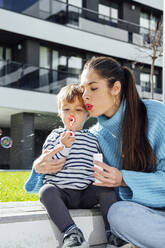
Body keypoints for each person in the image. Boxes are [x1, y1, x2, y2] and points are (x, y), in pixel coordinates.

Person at [79, 56, 165, 248]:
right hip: (149, 218)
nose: (85, 95)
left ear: (115, 88)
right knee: (118, 214)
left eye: (93, 88)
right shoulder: (94, 135)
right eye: (83, 89)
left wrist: (123, 178)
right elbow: (70, 186)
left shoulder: (156, 114)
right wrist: (43, 168)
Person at [24, 84, 117, 248]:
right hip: (62, 192)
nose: (72, 114)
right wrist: (64, 146)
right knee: (46, 191)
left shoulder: (93, 139)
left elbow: (99, 163)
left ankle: (113, 234)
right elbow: (51, 162)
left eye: (78, 110)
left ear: (87, 114)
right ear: (60, 113)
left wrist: (101, 171)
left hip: (85, 193)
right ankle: (72, 232)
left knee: (106, 188)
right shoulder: (56, 135)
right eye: (67, 109)